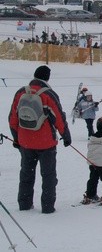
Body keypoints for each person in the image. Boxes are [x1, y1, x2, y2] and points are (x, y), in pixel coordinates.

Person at [9, 65, 72, 214]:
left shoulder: (21, 92)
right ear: (47, 78)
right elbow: (59, 117)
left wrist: (16, 138)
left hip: (25, 141)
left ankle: (24, 204)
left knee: (26, 173)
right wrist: (66, 136)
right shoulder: (48, 94)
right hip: (46, 143)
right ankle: (48, 207)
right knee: (48, 175)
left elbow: (12, 117)